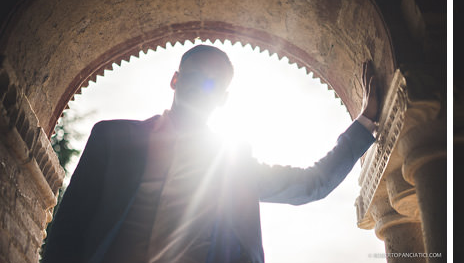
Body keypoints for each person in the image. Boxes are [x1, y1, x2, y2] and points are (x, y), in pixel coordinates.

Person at [41, 45, 380, 263]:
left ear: (222, 98)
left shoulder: (231, 163)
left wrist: (365, 123)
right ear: (175, 79)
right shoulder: (112, 138)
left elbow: (312, 183)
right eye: (195, 77)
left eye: (213, 84)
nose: (202, 87)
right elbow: (68, 230)